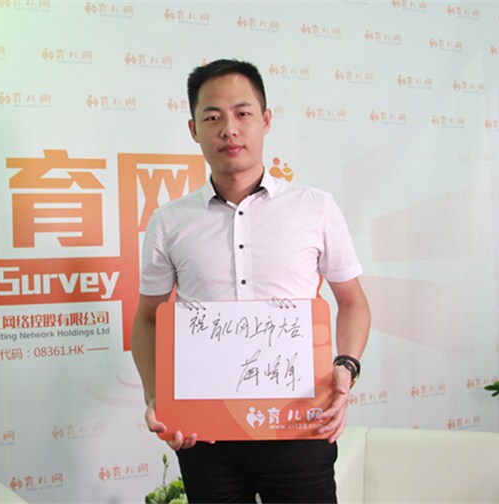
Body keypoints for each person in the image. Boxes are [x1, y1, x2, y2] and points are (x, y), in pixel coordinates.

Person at [131, 59, 370, 503]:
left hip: (300, 424)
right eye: (212, 117)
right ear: (193, 129)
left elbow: (353, 301)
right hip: (205, 434)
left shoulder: (315, 207)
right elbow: (148, 318)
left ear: (266, 120)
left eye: (243, 113)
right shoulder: (170, 221)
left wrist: (347, 366)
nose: (229, 130)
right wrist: (156, 396)